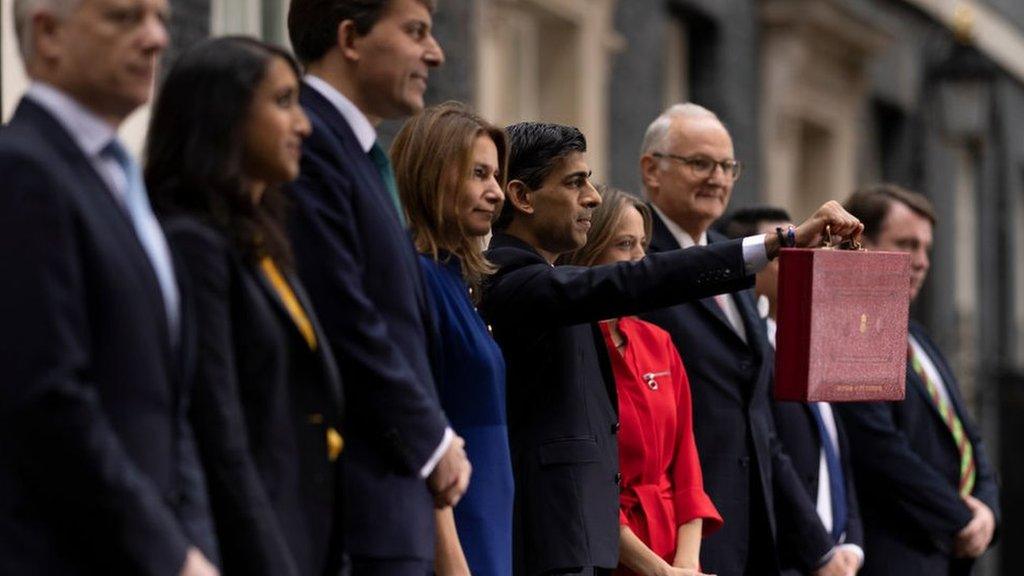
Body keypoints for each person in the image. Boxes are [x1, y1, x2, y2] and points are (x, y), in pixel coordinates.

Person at [479, 120, 861, 576]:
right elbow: (642, 279)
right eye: (575, 182)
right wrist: (783, 241)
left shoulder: (548, 283)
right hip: (552, 549)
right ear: (522, 197)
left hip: (592, 546)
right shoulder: (515, 279)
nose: (593, 198)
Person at [0, 0, 219, 572]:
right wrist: (169, 553)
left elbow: (168, 401)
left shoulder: (118, 180)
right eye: (125, 18)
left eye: (162, 20)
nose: (154, 39)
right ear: (48, 34)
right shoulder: (23, 170)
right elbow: (47, 399)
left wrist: (192, 544)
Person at [145, 36, 346, 576]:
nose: (303, 125)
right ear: (223, 117)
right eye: (283, 103)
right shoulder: (193, 243)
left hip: (308, 533)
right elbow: (220, 428)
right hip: (253, 547)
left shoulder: (262, 239)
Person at [286, 0, 471, 573]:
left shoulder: (362, 155)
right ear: (350, 37)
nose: (435, 54)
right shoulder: (311, 144)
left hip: (391, 501)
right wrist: (430, 438)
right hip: (355, 502)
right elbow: (343, 313)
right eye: (416, 32)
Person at [638, 103, 859, 576]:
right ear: (651, 170)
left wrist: (817, 550)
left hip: (754, 539)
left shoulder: (736, 270)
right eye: (700, 163)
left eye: (727, 166)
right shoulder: (634, 261)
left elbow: (759, 426)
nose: (717, 178)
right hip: (672, 541)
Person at [838, 184, 1000, 576]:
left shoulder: (918, 336)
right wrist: (960, 516)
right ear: (860, 244)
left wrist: (988, 511)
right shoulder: (847, 335)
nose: (922, 261)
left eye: (926, 248)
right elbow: (880, 449)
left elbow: (967, 435)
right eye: (907, 244)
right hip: (896, 553)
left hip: (947, 553)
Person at [561, 187, 723, 576]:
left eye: (643, 245)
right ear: (589, 253)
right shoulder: (572, 345)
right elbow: (586, 485)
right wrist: (658, 570)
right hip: (607, 553)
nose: (639, 260)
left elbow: (686, 465)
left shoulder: (658, 342)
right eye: (624, 245)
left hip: (675, 553)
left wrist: (685, 563)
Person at [391, 102, 512, 576]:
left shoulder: (457, 281)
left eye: (497, 176)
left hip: (490, 512)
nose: (496, 193)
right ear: (434, 175)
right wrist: (453, 562)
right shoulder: (415, 278)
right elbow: (419, 425)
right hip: (456, 531)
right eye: (479, 174)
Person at [717, 206, 865, 576]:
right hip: (790, 559)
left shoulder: (812, 345)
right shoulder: (751, 355)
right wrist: (821, 553)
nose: (802, 266)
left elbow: (837, 453)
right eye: (783, 257)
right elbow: (772, 452)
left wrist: (851, 543)